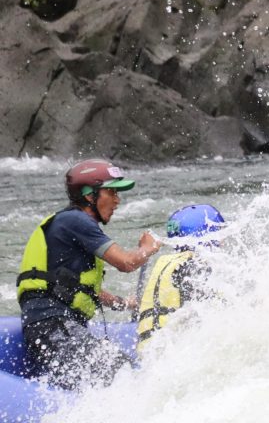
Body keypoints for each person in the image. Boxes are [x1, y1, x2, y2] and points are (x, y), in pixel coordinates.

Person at [16, 159, 162, 389]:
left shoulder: (72, 224)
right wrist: (148, 248)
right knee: (121, 372)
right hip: (53, 325)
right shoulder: (75, 220)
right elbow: (126, 263)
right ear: (88, 195)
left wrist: (124, 303)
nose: (117, 200)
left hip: (53, 324)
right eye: (111, 192)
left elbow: (83, 288)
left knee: (118, 370)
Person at [135, 204, 223, 352]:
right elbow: (214, 316)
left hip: (150, 349)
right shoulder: (194, 266)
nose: (221, 241)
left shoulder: (167, 262)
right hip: (169, 353)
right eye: (218, 234)